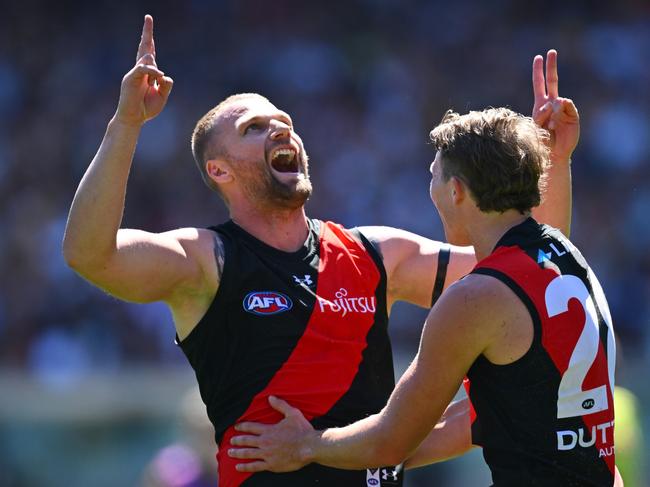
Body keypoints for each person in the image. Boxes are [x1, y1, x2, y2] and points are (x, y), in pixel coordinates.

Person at [62, 15, 577, 487]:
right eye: (254, 128)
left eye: (283, 120)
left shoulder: (373, 252)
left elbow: (530, 270)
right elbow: (90, 254)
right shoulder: (206, 260)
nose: (280, 127)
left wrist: (554, 161)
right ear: (219, 170)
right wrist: (126, 125)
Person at [227, 108, 621, 486]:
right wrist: (557, 157)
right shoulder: (567, 256)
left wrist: (305, 446)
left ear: (456, 190)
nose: (430, 188)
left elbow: (391, 439)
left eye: (433, 176)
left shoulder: (474, 298)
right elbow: (475, 416)